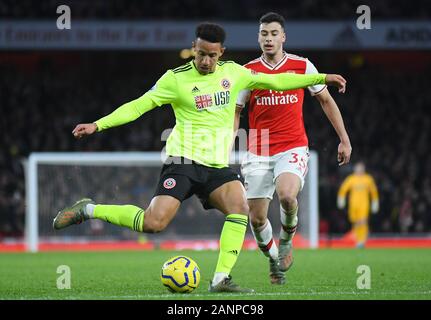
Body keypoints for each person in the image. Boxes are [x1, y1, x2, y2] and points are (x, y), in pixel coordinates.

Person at [53, 22, 347, 293]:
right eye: (201, 54)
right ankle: (88, 210)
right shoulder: (174, 79)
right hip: (183, 162)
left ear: (222, 53)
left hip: (216, 167)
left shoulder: (234, 73)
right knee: (154, 223)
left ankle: (220, 279)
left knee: (240, 208)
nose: (206, 61)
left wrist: (322, 77)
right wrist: (98, 124)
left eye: (212, 56)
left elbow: (278, 82)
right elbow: (138, 106)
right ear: (194, 48)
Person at [235, 12, 352, 285]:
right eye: (264, 34)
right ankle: (274, 259)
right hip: (258, 149)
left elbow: (325, 100)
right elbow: (237, 111)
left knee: (287, 196)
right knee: (257, 218)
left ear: (283, 37)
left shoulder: (302, 66)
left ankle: (286, 240)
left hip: (292, 146)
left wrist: (344, 138)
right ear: (258, 37)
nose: (269, 39)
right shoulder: (247, 71)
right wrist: (231, 141)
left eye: (274, 33)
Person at [337, 161, 379, 248]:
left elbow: (373, 191)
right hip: (353, 205)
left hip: (364, 204)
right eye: (358, 168)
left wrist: (375, 202)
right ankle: (357, 239)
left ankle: (362, 240)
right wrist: (341, 199)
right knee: (355, 222)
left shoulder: (368, 179)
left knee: (363, 221)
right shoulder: (351, 179)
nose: (359, 170)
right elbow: (343, 189)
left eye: (361, 168)